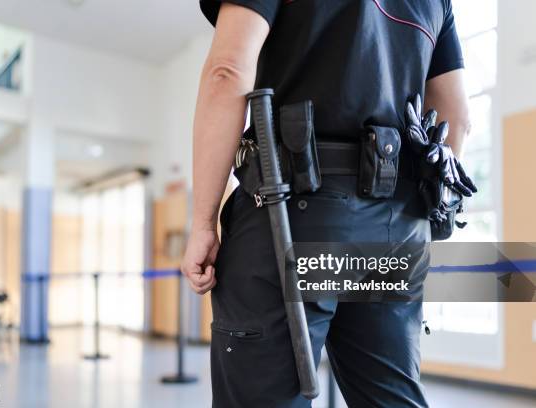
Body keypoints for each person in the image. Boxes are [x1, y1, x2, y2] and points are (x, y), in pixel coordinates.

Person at [181, 1, 474, 406]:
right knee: (389, 396)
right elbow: (455, 118)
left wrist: (202, 222)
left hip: (294, 209)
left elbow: (227, 72)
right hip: (398, 222)